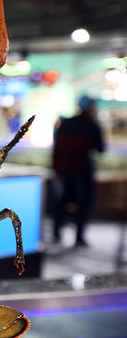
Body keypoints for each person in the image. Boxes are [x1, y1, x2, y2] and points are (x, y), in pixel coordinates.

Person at [52, 95, 105, 246]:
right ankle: (79, 237)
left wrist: (56, 168)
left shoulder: (66, 123)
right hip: (83, 170)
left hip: (64, 170)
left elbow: (56, 148)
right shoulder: (92, 126)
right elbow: (100, 148)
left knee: (61, 202)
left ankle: (57, 232)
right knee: (84, 204)